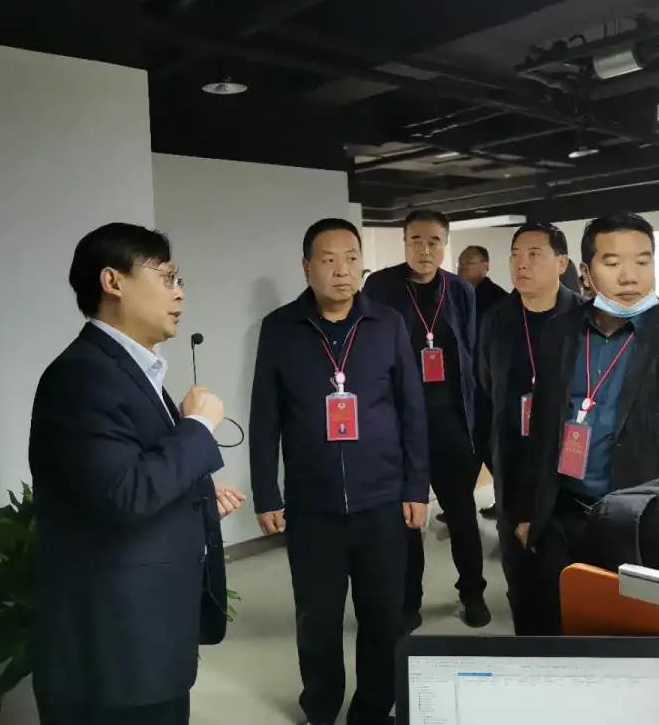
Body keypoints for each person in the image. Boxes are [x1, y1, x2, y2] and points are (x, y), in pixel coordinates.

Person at [29, 223, 246, 725]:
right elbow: (123, 495)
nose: (180, 292)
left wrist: (196, 496)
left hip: (144, 643)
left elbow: (124, 477)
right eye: (167, 277)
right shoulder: (82, 375)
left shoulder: (128, 371)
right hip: (113, 653)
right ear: (113, 281)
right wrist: (197, 427)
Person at [517, 212, 659, 635]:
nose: (629, 276)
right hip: (564, 517)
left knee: (638, 644)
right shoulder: (560, 333)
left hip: (650, 528)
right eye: (612, 262)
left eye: (642, 260)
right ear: (586, 273)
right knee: (561, 634)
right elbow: (543, 431)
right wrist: (531, 511)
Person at [249, 218, 430, 725]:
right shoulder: (280, 328)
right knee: (318, 619)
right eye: (328, 260)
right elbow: (265, 416)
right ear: (307, 267)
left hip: (383, 500)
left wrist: (416, 485)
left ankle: (372, 710)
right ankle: (321, 707)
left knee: (384, 616)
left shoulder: (387, 323)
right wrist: (266, 492)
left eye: (352, 258)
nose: (342, 270)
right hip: (312, 505)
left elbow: (412, 409)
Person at [364, 210, 490, 631]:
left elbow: (471, 353)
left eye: (434, 240)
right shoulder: (381, 287)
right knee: (407, 517)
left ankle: (472, 593)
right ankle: (408, 601)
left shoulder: (460, 290)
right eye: (415, 240)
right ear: (404, 243)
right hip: (399, 423)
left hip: (450, 419)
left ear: (445, 244)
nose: (424, 249)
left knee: (461, 513)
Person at [478, 222, 582, 635]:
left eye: (534, 254)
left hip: (571, 473)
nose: (521, 264)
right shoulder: (496, 319)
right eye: (515, 255)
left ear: (562, 262)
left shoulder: (584, 319)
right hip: (514, 469)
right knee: (523, 587)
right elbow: (486, 390)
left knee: (572, 592)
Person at [457, 244, 509, 519]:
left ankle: (506, 505)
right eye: (461, 261)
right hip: (465, 384)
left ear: (485, 265)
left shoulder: (498, 300)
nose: (462, 266)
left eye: (469, 261)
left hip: (488, 387)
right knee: (469, 450)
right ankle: (459, 505)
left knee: (490, 449)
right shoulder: (456, 295)